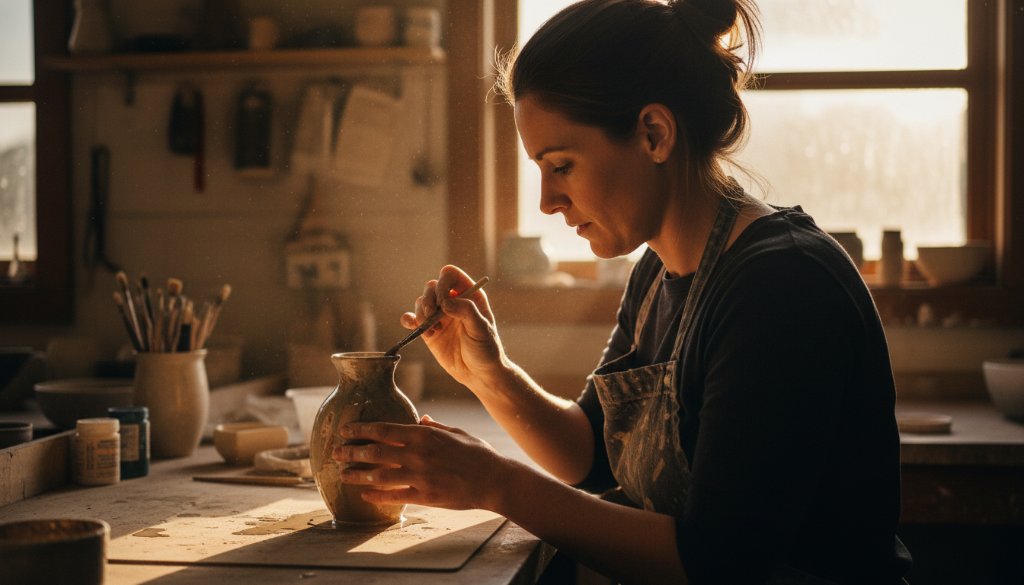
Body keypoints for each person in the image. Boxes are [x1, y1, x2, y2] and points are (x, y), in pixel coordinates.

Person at [332, 0, 913, 582]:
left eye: (561, 166)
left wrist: (495, 482)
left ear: (653, 135)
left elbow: (718, 563)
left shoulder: (781, 288)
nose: (547, 202)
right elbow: (590, 454)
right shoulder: (657, 270)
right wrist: (488, 372)